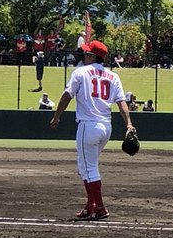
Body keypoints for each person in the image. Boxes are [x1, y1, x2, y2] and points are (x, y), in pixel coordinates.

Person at [49, 40, 135, 221]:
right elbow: (121, 102)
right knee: (85, 166)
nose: (84, 55)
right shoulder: (113, 76)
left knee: (90, 168)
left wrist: (56, 116)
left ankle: (100, 207)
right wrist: (128, 124)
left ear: (93, 56)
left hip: (88, 126)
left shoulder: (80, 72)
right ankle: (90, 206)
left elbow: (67, 95)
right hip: (106, 128)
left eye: (87, 53)